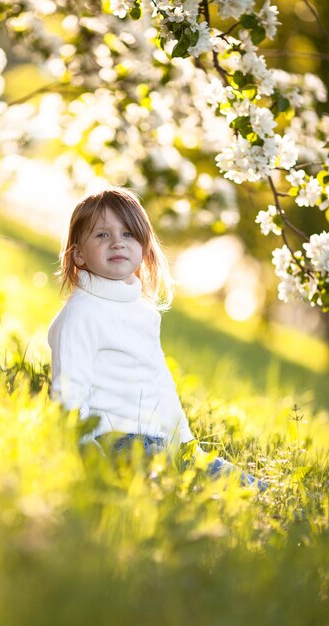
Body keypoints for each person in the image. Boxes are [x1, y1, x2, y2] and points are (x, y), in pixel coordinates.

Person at [48, 187, 267, 491]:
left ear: (144, 247)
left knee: (235, 480)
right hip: (114, 441)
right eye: (102, 235)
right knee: (170, 482)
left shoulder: (142, 312)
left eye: (128, 234)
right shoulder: (82, 314)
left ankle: (275, 507)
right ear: (79, 254)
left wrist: (187, 444)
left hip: (159, 440)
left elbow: (160, 383)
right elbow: (68, 391)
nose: (117, 243)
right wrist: (86, 450)